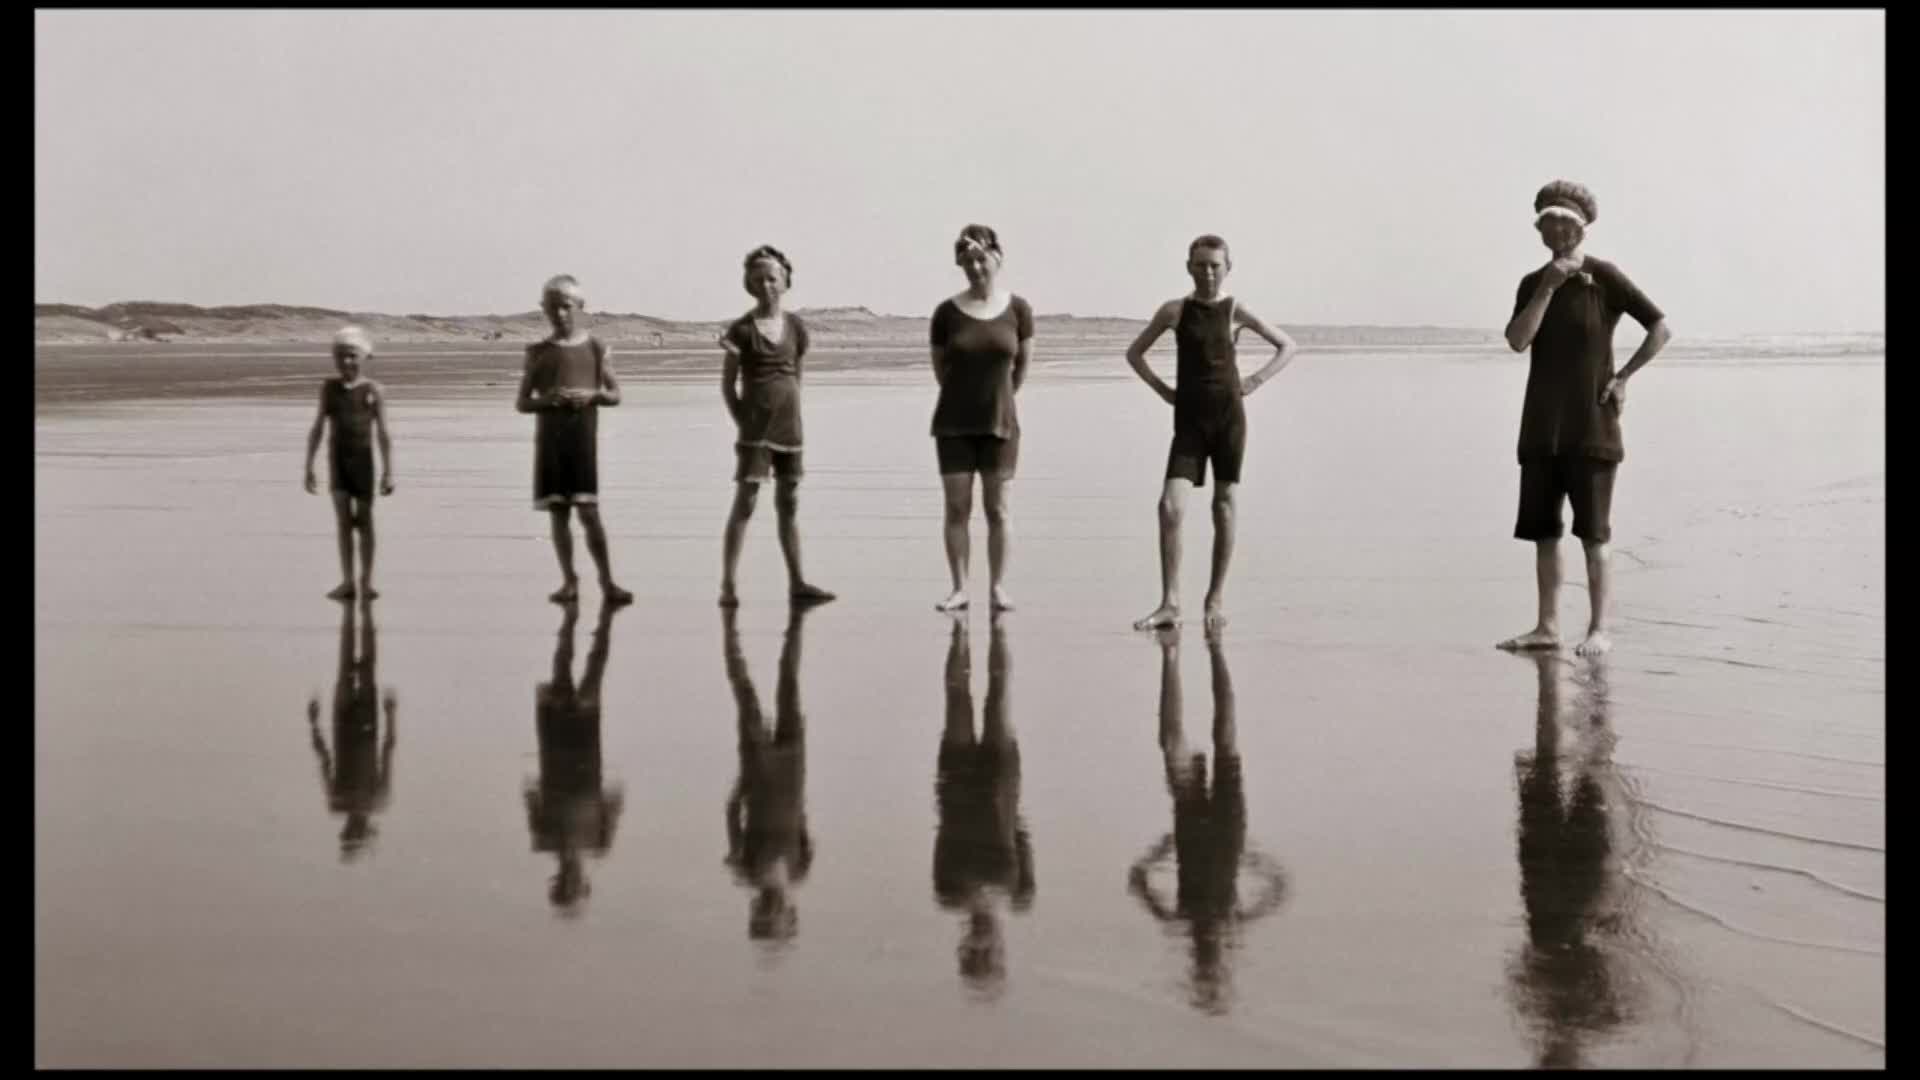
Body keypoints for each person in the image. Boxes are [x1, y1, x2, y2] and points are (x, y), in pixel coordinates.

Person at [1499, 180, 1672, 657]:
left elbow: (1660, 327)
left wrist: (1623, 379)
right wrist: (1549, 287)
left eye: (1564, 220)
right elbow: (1517, 340)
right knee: (1543, 531)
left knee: (1594, 531)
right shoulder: (1533, 283)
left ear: (1581, 226)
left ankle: (1599, 629)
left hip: (1592, 426)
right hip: (1540, 428)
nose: (1555, 228)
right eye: (1547, 220)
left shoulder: (1605, 276)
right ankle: (1547, 626)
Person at [1126, 236, 1298, 631]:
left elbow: (1287, 346)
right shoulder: (1174, 311)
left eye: (1215, 265)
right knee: (1170, 507)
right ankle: (1170, 604)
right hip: (1188, 423)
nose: (1207, 272)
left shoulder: (1236, 309)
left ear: (1227, 268)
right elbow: (1134, 353)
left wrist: (1255, 381)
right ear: (1188, 266)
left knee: (1224, 505)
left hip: (1228, 421)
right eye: (1200, 265)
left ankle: (1214, 599)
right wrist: (1163, 391)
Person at [1127, 626, 1287, 1015]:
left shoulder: (1181, 919)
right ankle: (1206, 658)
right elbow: (1279, 887)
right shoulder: (1233, 919)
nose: (1209, 956)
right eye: (1213, 970)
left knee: (1203, 741)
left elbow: (1137, 880)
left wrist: (1165, 847)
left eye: (1205, 967)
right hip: (1227, 832)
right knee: (1223, 741)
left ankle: (1207, 659)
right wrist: (1247, 855)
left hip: (1196, 829)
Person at [717, 245, 835, 608]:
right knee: (747, 502)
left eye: (772, 278)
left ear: (785, 281)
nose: (766, 285)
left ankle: (798, 582)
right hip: (755, 431)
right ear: (749, 285)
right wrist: (744, 422)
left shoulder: (796, 328)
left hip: (790, 430)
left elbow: (795, 378)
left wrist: (790, 416)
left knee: (789, 503)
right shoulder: (740, 330)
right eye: (758, 280)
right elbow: (728, 385)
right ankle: (728, 585)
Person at [929, 224, 1032, 614]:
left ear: (997, 259)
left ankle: (999, 587)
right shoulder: (945, 313)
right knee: (956, 509)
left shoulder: (1018, 309)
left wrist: (998, 400)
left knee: (998, 510)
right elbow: (941, 370)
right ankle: (959, 588)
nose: (975, 267)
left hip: (1001, 424)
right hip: (953, 425)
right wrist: (966, 398)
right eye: (967, 260)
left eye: (981, 259)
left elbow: (1020, 369)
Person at [515, 274, 633, 607]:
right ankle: (569, 581)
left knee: (589, 511)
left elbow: (615, 394)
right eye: (553, 307)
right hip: (551, 444)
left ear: (580, 308)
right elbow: (522, 402)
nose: (560, 314)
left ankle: (608, 582)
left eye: (566, 307)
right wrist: (549, 399)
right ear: (544, 309)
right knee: (559, 513)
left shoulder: (595, 348)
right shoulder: (537, 352)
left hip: (582, 443)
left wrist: (592, 395)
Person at [932, 613, 1033, 994]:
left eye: (975, 954)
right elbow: (1022, 837)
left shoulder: (948, 892)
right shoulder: (1018, 894)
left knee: (975, 695)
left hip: (959, 788)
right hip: (1000, 786)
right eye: (986, 954)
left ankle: (981, 631)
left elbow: (941, 838)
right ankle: (977, 632)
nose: (980, 945)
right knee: (992, 695)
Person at [721, 603, 817, 946]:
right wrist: (799, 801)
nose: (771, 909)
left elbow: (732, 819)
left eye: (766, 916)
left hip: (759, 777)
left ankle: (730, 640)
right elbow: (804, 831)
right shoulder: (799, 870)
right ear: (790, 912)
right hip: (790, 777)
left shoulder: (745, 872)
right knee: (788, 685)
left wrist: (740, 786)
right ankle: (793, 630)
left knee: (747, 699)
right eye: (776, 916)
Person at [524, 602, 625, 915]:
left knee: (569, 677)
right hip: (579, 762)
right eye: (572, 885)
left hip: (562, 760)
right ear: (583, 883)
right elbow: (614, 803)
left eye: (564, 885)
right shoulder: (597, 843)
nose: (569, 878)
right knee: (586, 680)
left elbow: (531, 797)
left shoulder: (545, 839)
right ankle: (596, 626)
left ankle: (578, 626)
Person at [304, 326, 394, 600]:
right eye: (341, 356)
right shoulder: (329, 389)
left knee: (365, 522)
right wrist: (308, 465)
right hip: (338, 465)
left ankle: (366, 582)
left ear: (362, 357)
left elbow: (383, 433)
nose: (346, 362)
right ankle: (347, 581)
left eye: (352, 356)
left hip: (364, 466)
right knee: (344, 523)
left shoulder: (374, 390)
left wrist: (388, 472)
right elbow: (318, 427)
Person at [306, 598, 397, 861]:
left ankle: (359, 615)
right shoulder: (370, 799)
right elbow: (387, 750)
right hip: (359, 729)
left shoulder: (345, 801)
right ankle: (363, 614)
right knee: (362, 665)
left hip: (346, 727)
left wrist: (314, 723)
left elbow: (325, 758)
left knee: (352, 664)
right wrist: (391, 714)